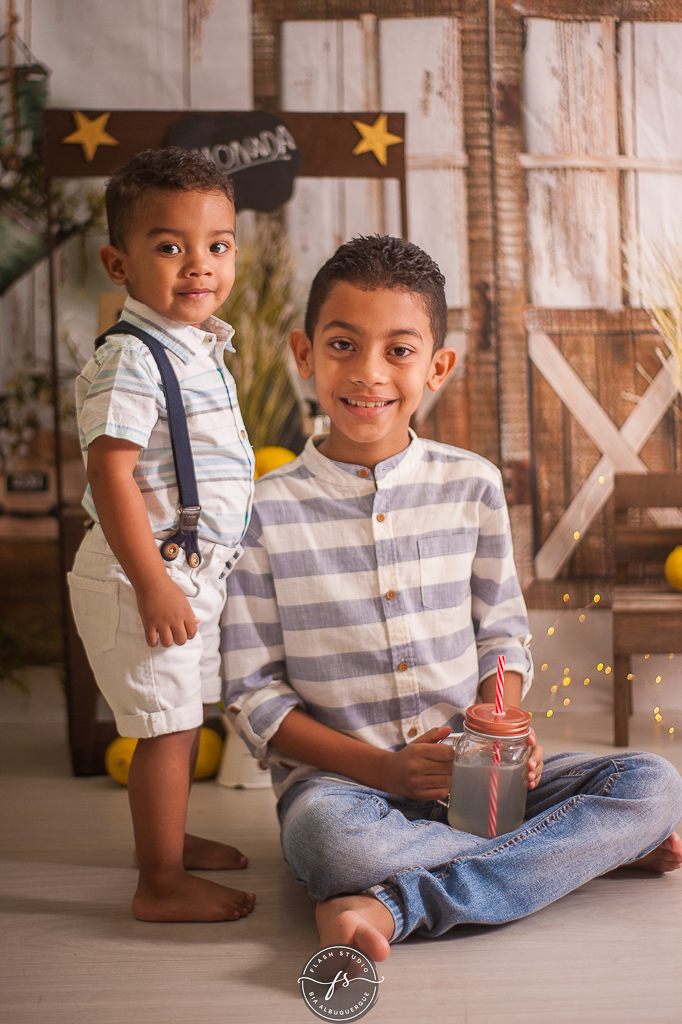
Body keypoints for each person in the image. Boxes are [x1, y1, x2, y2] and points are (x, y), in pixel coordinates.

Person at [222, 234, 682, 959]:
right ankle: (571, 855)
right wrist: (382, 770)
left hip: (478, 780)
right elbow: (254, 696)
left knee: (653, 785)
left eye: (398, 350)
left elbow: (503, 636)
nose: (368, 372)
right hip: (346, 793)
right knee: (332, 846)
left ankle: (391, 907)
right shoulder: (261, 510)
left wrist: (508, 732)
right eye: (343, 345)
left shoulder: (472, 484)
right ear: (305, 354)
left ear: (438, 367)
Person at [68, 148, 256, 923]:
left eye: (216, 244)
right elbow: (112, 475)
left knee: (184, 715)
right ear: (120, 262)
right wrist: (150, 582)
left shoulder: (202, 347)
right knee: (166, 724)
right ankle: (161, 882)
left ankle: (169, 839)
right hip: (138, 574)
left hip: (187, 572)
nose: (198, 265)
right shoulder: (131, 359)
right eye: (169, 245)